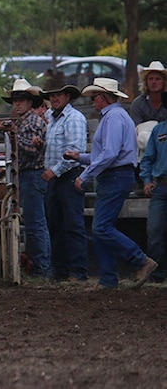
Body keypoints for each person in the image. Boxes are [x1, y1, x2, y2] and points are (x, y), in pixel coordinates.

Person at [66, 77, 158, 289]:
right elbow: (106, 154)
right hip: (116, 175)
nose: (92, 100)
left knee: (101, 227)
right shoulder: (116, 116)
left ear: (103, 97)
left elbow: (109, 154)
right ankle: (108, 278)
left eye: (95, 96)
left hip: (115, 176)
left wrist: (85, 175)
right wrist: (80, 157)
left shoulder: (113, 117)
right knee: (101, 228)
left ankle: (140, 260)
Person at [40, 76, 89, 282]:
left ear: (67, 96)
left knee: (73, 224)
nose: (55, 98)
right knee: (56, 224)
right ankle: (61, 270)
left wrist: (54, 170)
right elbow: (52, 146)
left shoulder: (74, 118)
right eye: (52, 95)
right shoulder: (50, 117)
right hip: (55, 177)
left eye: (58, 94)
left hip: (69, 175)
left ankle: (77, 271)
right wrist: (39, 144)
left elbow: (75, 151)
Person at [2, 78, 52, 278]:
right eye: (15, 100)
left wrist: (15, 136)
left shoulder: (34, 121)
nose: (17, 103)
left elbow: (33, 150)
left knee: (36, 224)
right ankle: (38, 266)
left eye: (22, 99)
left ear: (31, 102)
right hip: (25, 175)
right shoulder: (22, 121)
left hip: (32, 174)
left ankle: (43, 269)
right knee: (33, 223)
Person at [139, 116, 167, 283]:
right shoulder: (159, 129)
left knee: (156, 231)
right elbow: (148, 158)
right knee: (155, 231)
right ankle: (156, 275)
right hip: (161, 186)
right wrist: (147, 180)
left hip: (161, 187)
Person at [130, 61, 167, 125]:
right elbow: (135, 128)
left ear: (164, 82)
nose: (154, 82)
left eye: (158, 79)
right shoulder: (138, 104)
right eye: (150, 79)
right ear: (146, 82)